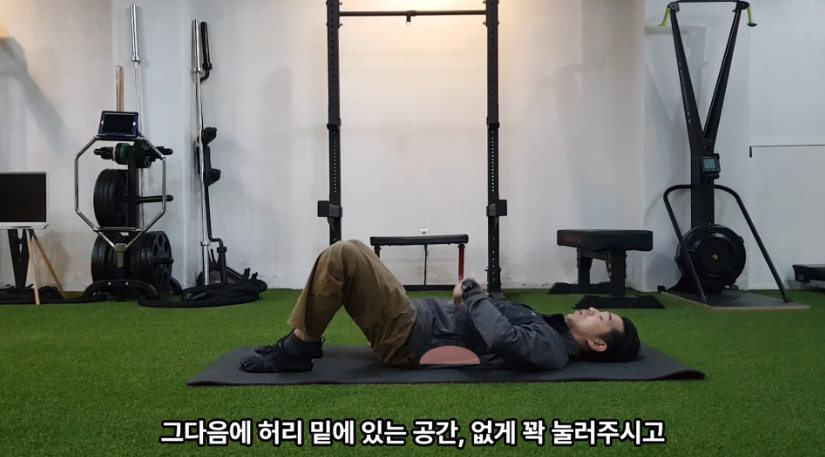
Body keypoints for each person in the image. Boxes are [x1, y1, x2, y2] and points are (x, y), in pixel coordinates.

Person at [240, 239, 641, 373]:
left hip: (409, 337)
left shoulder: (552, 349)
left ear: (598, 344)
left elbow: (503, 338)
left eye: (602, 318)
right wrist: (473, 299)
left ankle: (298, 347)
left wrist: (474, 293)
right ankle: (302, 342)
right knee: (351, 252)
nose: (592, 311)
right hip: (416, 320)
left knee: (345, 254)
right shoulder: (551, 329)